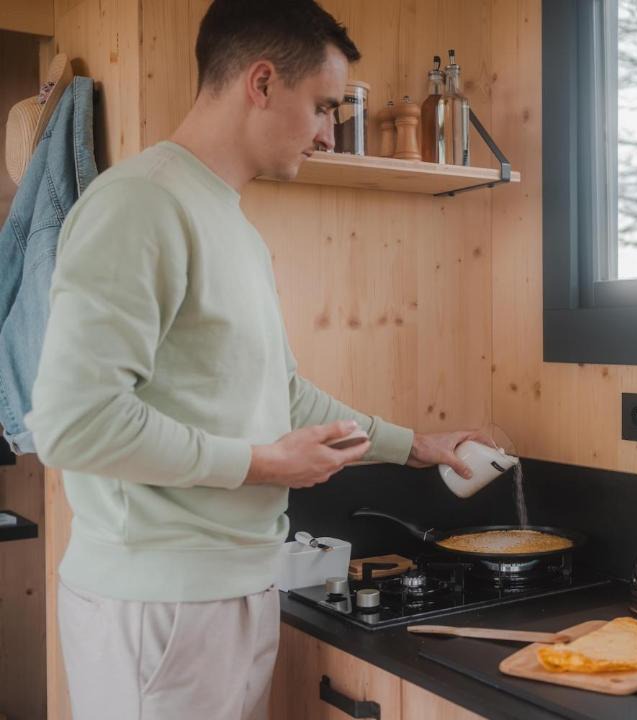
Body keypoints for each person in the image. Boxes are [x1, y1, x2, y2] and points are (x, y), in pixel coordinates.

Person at [26, 1, 483, 717]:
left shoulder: (227, 221)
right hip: (158, 606)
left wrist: (416, 446)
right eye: (324, 107)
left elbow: (283, 394)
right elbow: (73, 423)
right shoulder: (141, 205)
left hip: (227, 590)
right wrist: (264, 463)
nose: (330, 133)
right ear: (262, 83)